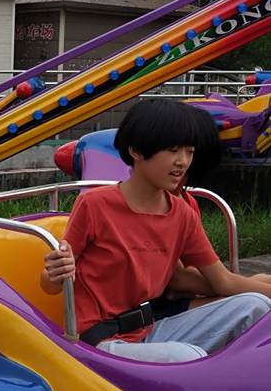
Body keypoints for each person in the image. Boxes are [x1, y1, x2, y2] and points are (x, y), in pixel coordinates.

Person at [42, 98, 271, 362]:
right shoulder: (95, 204)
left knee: (257, 306)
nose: (182, 162)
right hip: (101, 339)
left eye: (189, 151)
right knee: (186, 356)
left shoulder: (182, 212)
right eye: (173, 150)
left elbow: (223, 281)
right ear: (137, 150)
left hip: (150, 328)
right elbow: (51, 285)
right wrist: (55, 273)